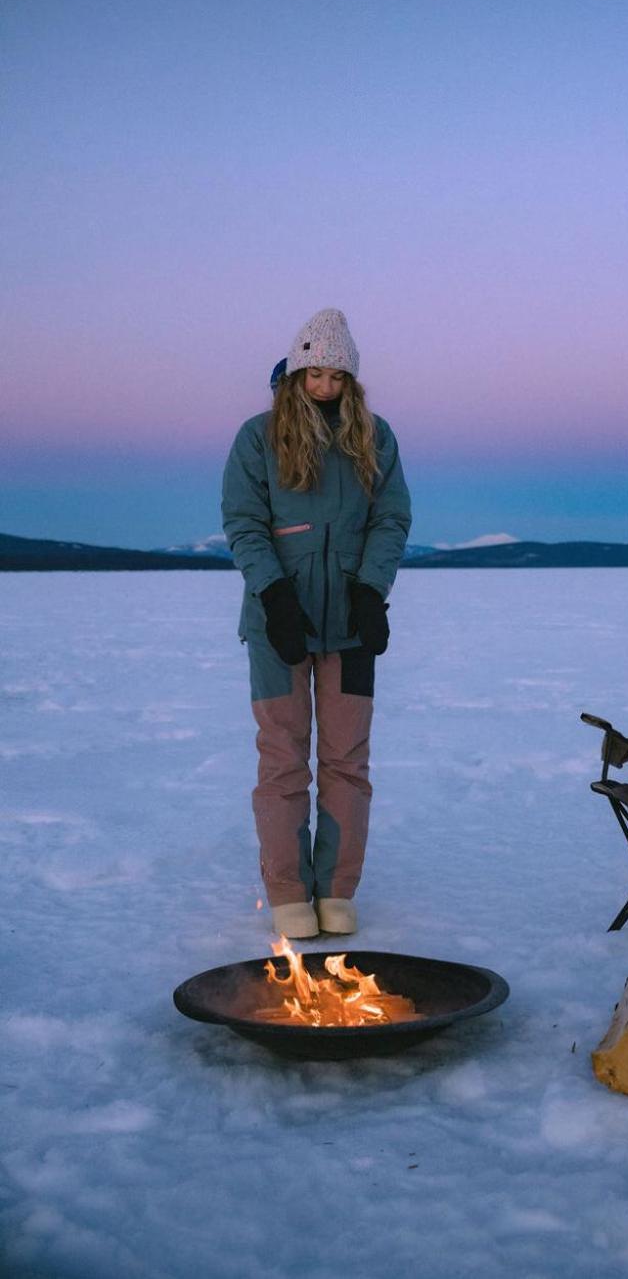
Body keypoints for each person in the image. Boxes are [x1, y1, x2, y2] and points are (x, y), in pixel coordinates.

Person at [221, 308, 412, 939]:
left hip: (352, 624)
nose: (326, 386)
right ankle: (286, 894)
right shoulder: (259, 436)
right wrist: (274, 595)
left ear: (351, 380)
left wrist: (371, 592)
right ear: (296, 372)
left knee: (347, 760)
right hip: (280, 622)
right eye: (315, 374)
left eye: (337, 375)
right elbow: (245, 523)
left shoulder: (374, 436)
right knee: (282, 759)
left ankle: (335, 890)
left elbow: (391, 519)